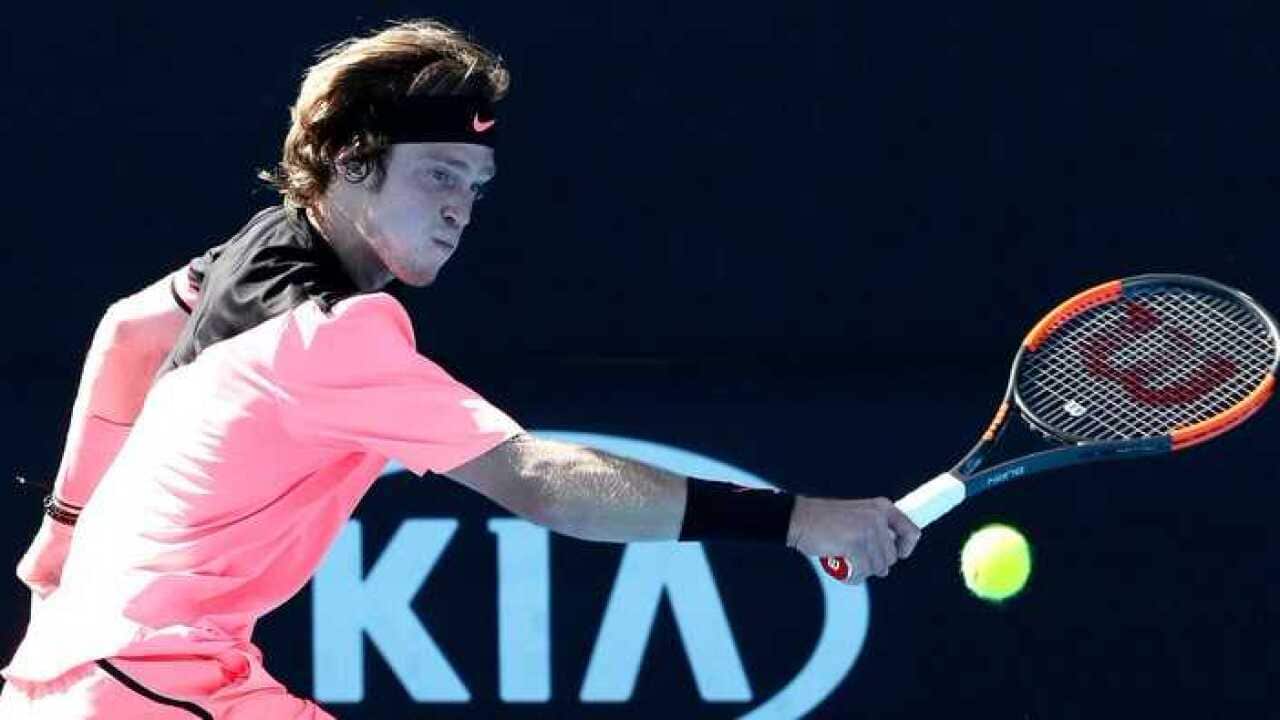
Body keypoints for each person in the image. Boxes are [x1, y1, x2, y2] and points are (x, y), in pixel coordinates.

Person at [0, 19, 921, 719]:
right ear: (352, 164)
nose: (461, 210)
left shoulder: (262, 246)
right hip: (148, 686)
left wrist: (65, 530)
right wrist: (798, 520)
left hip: (90, 677)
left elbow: (126, 333)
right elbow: (542, 485)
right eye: (438, 174)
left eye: (475, 187)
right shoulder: (333, 333)